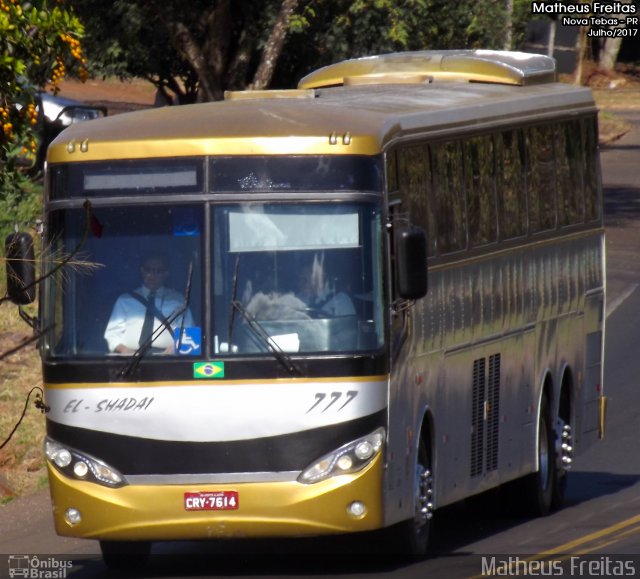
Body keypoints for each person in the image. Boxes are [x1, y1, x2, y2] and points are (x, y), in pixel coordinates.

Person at [104, 254, 194, 354]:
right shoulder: (125, 300)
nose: (152, 275)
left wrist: (175, 348)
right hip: (129, 361)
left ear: (166, 274)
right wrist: (125, 351)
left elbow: (189, 332)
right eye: (148, 270)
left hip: (168, 360)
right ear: (142, 271)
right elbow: (112, 334)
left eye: (158, 271)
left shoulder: (178, 301)